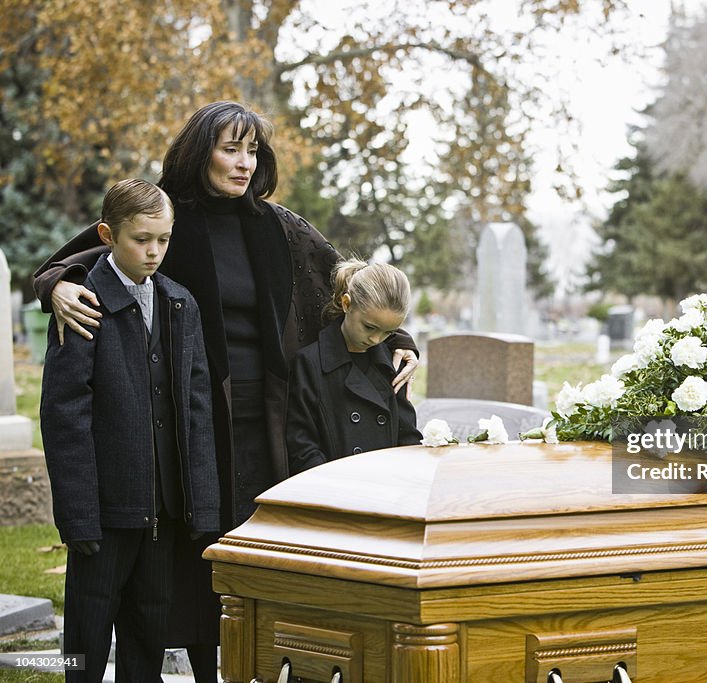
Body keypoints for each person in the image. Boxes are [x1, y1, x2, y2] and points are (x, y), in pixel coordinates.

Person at [33, 101, 418, 682]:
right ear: (200, 152)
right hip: (188, 415)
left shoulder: (278, 226)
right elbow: (90, 252)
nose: (244, 164)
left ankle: (259, 662)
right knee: (189, 555)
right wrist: (57, 285)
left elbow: (348, 282)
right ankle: (194, 669)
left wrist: (399, 338)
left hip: (266, 418)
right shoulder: (167, 212)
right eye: (230, 149)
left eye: (253, 150)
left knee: (258, 548)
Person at [39, 179, 219, 683]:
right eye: (141, 239)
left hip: (163, 513)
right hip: (104, 512)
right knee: (86, 639)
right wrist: (77, 517)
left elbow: (197, 410)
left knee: (146, 637)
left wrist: (201, 506)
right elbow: (63, 416)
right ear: (107, 234)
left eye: (163, 239)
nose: (154, 251)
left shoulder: (181, 303)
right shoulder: (81, 304)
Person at [287, 259, 422, 474]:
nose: (376, 339)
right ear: (346, 304)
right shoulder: (310, 362)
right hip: (333, 491)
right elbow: (302, 444)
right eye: (369, 327)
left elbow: (408, 436)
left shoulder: (394, 361)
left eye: (388, 332)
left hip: (388, 488)